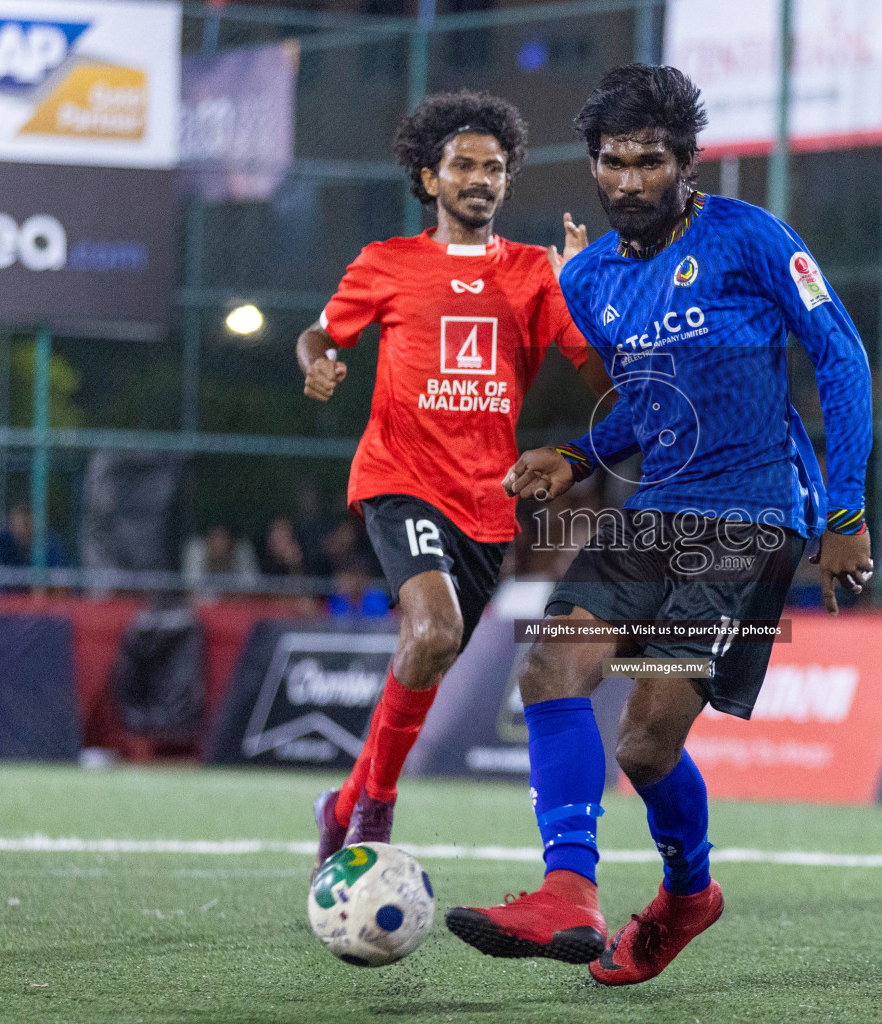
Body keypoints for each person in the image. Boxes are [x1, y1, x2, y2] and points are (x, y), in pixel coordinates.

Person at [444, 64, 874, 982]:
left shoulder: (749, 238)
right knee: (551, 664)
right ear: (591, 165)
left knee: (645, 743)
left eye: (649, 162)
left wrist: (847, 511)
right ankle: (568, 891)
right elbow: (647, 404)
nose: (629, 181)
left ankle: (687, 896)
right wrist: (578, 457)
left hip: (750, 517)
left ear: (687, 162)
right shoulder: (591, 279)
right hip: (657, 510)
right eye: (612, 163)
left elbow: (841, 355)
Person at [299, 90, 611, 868]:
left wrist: (589, 294)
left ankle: (338, 807)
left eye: (495, 167)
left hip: (488, 504)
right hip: (399, 477)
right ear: (429, 178)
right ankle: (375, 809)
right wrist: (319, 364)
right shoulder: (386, 263)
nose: (481, 178)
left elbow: (603, 374)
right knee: (433, 630)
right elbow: (319, 332)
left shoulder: (539, 273)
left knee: (431, 653)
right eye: (463, 165)